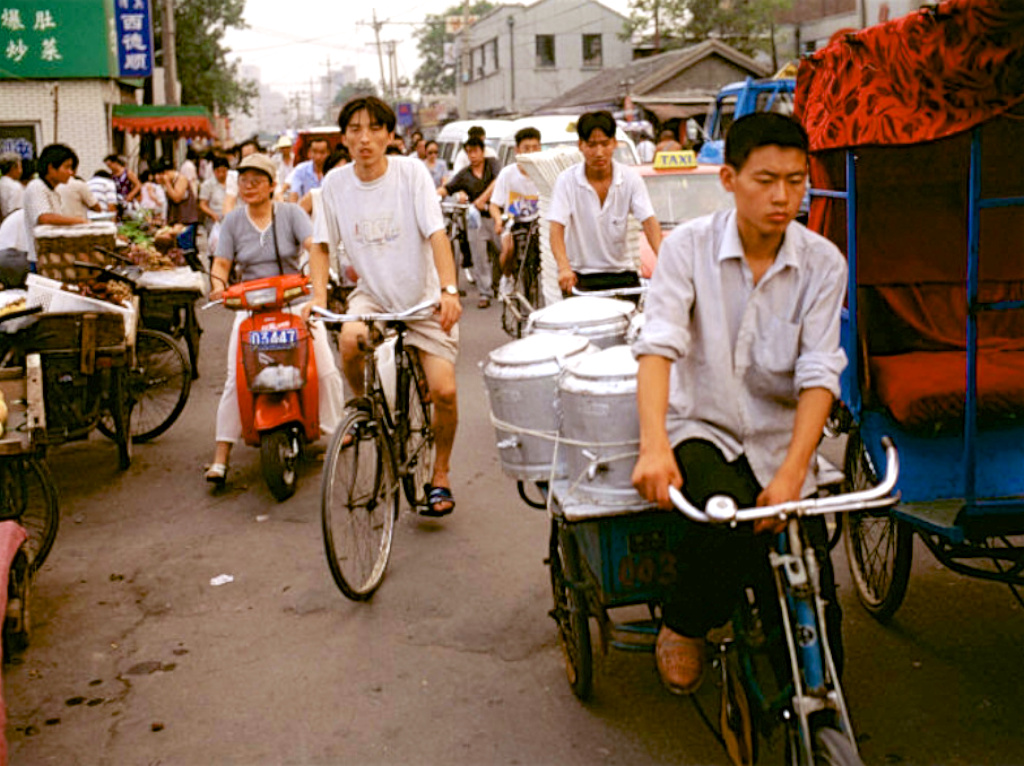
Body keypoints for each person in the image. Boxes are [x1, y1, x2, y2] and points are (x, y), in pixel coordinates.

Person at [630, 112, 848, 694]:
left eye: (796, 181)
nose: (783, 197)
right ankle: (684, 622)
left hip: (781, 437)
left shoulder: (824, 263)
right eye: (766, 180)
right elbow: (659, 348)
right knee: (727, 518)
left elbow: (820, 372)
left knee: (814, 605)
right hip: (703, 425)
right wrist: (653, 447)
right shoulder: (686, 250)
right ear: (729, 179)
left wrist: (794, 472)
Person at [310, 96, 462, 517]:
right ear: (344, 137)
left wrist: (449, 290)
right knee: (350, 340)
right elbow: (321, 245)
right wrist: (319, 300)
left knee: (444, 392)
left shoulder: (412, 173)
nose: (365, 138)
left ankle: (441, 474)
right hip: (373, 294)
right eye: (355, 129)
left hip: (423, 297)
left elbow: (437, 236)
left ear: (389, 135)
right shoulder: (335, 186)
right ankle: (364, 407)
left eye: (375, 128)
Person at [204, 153, 345, 484]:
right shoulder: (233, 222)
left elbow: (312, 246)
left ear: (270, 186)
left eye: (256, 181)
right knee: (234, 377)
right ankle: (221, 455)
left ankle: (338, 430)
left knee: (323, 366)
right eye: (243, 181)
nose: (248, 187)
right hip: (251, 306)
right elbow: (222, 264)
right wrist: (217, 287)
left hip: (294, 300)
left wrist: (315, 272)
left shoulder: (293, 213)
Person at [548, 110, 662, 294]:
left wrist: (665, 261)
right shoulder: (566, 181)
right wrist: (563, 268)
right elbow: (556, 227)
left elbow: (648, 221)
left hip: (622, 274)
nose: (599, 152)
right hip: (580, 276)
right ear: (580, 145)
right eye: (592, 145)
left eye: (604, 144)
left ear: (614, 143)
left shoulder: (630, 179)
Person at [440, 136, 501, 308]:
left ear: (482, 151)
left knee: (502, 252)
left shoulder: (493, 165)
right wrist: (432, 194)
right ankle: (485, 292)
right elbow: (448, 188)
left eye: (475, 151)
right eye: (469, 152)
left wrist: (482, 198)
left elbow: (498, 181)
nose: (472, 155)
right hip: (476, 220)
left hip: (495, 215)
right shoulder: (464, 174)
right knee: (479, 256)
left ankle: (499, 284)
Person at [488, 127, 541, 289]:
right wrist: (498, 221)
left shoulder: (544, 173)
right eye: (526, 148)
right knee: (508, 249)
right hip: (513, 223)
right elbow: (494, 205)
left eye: (535, 147)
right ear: (517, 150)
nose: (531, 152)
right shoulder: (507, 174)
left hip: (539, 224)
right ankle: (507, 277)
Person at [23, 143, 89, 268]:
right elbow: (44, 218)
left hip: (53, 258)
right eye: (67, 167)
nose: (70, 173)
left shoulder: (53, 191)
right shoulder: (36, 187)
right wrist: (79, 221)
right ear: (51, 168)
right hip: (41, 259)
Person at [157, 157, 201, 249]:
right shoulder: (169, 182)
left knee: (187, 248)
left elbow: (177, 198)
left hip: (187, 220)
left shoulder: (181, 179)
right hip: (177, 221)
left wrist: (167, 184)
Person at [287, 137, 330, 203]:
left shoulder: (333, 171)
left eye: (322, 152)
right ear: (309, 153)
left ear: (328, 153)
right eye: (315, 152)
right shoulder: (301, 170)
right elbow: (294, 194)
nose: (318, 156)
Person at [0, 153, 24, 222]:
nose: (21, 171)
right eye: (20, 167)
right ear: (13, 168)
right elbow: (16, 213)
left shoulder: (1, 183)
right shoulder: (15, 187)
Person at [271, 136, 295, 201]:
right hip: (281, 190)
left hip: (294, 190)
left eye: (287, 147)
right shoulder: (275, 160)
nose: (285, 150)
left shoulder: (296, 159)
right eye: (283, 148)